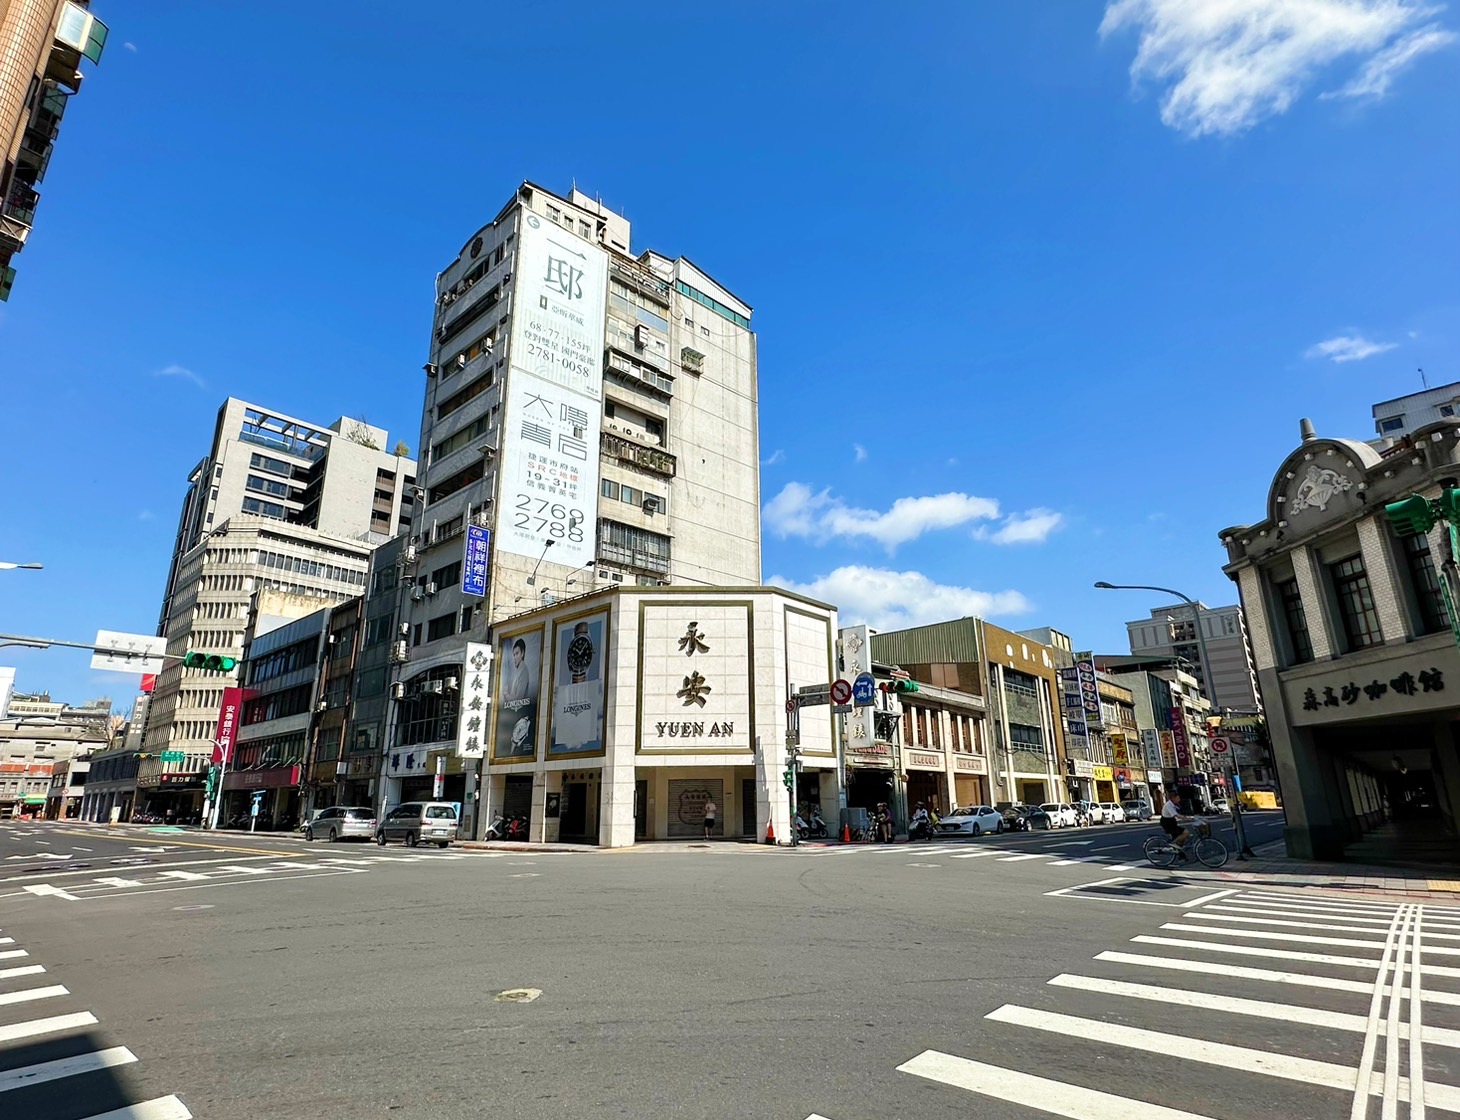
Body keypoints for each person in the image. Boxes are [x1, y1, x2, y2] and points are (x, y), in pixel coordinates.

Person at [1160, 792, 1190, 859]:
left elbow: (1178, 812)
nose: (1179, 799)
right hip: (1168, 823)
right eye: (1178, 798)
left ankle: (1181, 855)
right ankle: (1173, 843)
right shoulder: (1169, 805)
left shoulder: (1174, 804)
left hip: (1172, 822)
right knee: (1186, 832)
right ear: (1173, 798)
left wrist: (1185, 817)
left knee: (1182, 838)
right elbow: (1175, 814)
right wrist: (1185, 818)